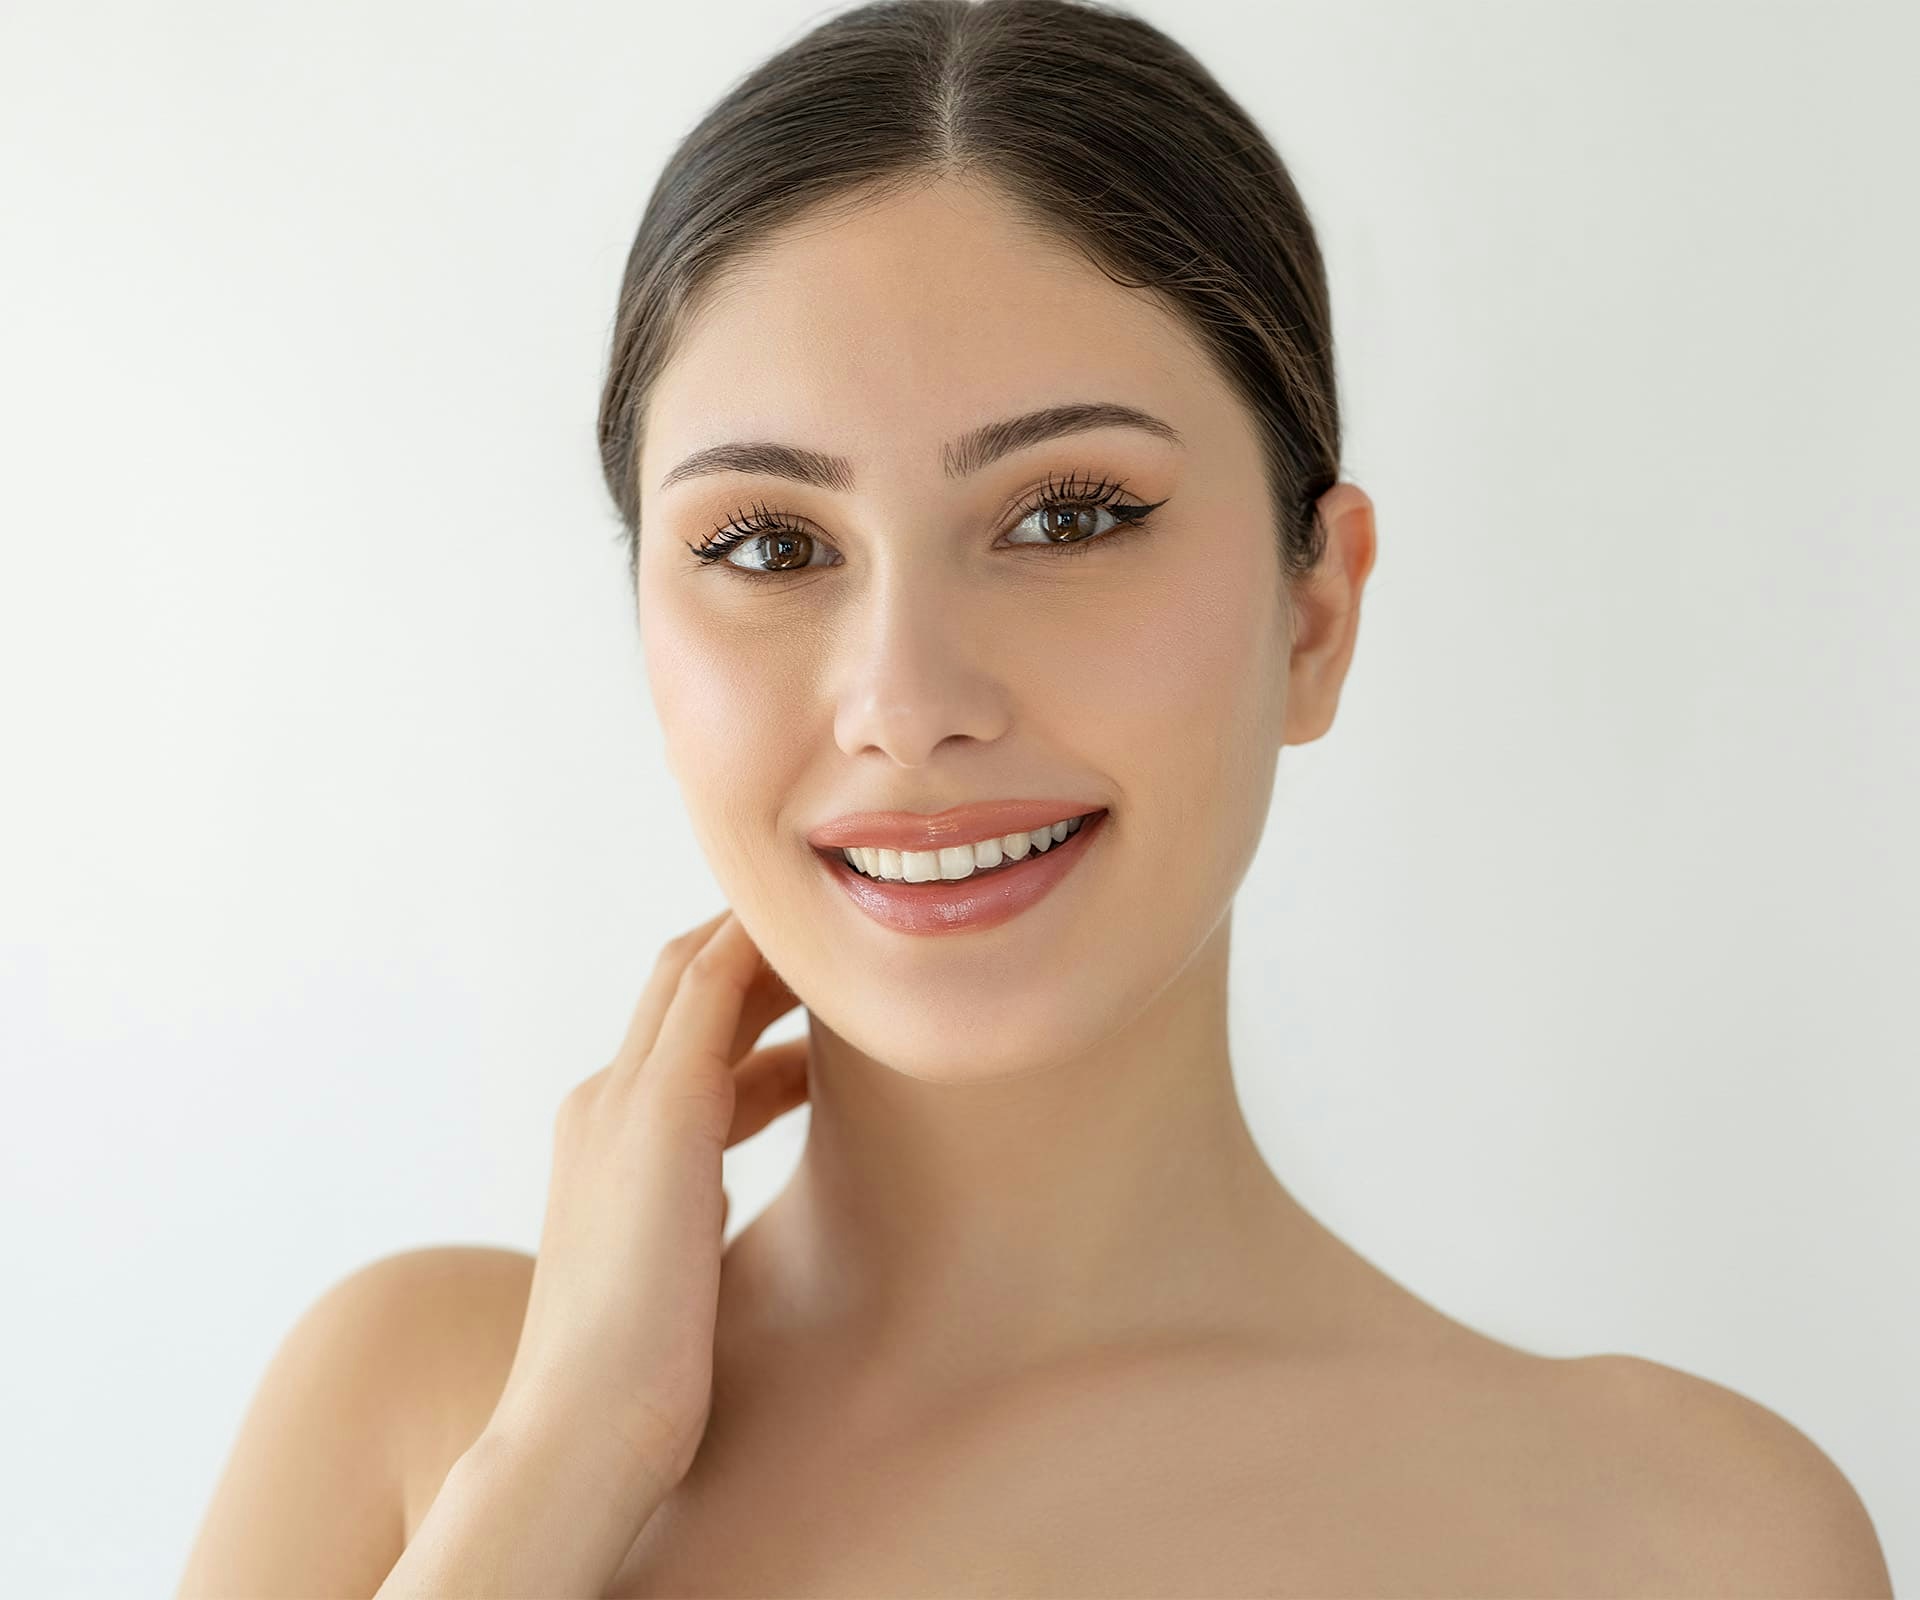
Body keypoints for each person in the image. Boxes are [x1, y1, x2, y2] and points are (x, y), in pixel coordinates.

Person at [178, 2, 1894, 1595]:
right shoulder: (418, 1415)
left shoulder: (1684, 1537)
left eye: (1067, 516)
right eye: (767, 545)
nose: (906, 702)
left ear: (1314, 613)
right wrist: (564, 1462)